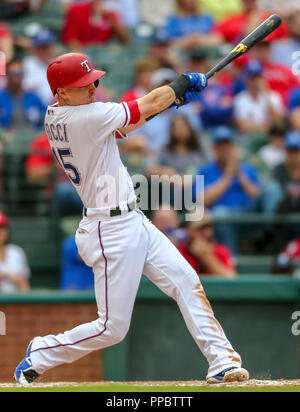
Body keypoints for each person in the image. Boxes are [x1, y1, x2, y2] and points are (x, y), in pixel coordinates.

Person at [14, 52, 249, 385]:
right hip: (108, 229)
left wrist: (169, 100)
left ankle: (222, 361)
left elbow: (130, 122)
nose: (93, 87)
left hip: (131, 219)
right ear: (62, 92)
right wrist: (179, 85)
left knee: (185, 280)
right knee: (112, 329)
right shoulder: (86, 117)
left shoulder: (61, 114)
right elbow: (147, 104)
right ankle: (41, 352)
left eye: (93, 80)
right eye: (83, 85)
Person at [193, 126, 261, 253]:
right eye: (220, 146)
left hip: (248, 215)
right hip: (219, 217)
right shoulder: (205, 170)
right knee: (220, 214)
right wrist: (228, 175)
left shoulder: (246, 169)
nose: (224, 150)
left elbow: (256, 196)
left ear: (233, 147)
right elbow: (201, 199)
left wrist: (239, 172)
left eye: (227, 145)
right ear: (214, 148)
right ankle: (230, 260)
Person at [178, 211, 237, 278]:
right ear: (189, 230)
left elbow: (231, 278)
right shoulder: (179, 252)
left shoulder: (221, 250)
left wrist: (206, 257)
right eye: (201, 228)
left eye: (209, 227)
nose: (207, 233)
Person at [234, 61, 284, 136]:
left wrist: (265, 94)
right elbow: (243, 127)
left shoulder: (273, 96)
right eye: (252, 78)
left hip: (271, 138)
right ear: (247, 79)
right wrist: (267, 128)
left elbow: (278, 123)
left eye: (258, 77)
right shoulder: (240, 99)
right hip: (250, 139)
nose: (255, 82)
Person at [62, 0, 130, 49]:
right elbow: (71, 38)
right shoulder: (76, 10)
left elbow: (125, 40)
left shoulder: (111, 14)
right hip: (82, 53)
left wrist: (110, 18)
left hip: (103, 54)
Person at [0, 59, 46, 130]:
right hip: (8, 138)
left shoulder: (33, 97)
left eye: (18, 74)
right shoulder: (1, 98)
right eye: (12, 74)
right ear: (7, 76)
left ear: (23, 75)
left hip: (33, 136)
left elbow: (47, 116)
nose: (15, 79)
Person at [250, 40, 299, 105]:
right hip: (260, 108)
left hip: (286, 108)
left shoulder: (283, 69)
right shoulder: (251, 71)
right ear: (253, 51)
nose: (263, 52)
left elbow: (297, 87)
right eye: (259, 49)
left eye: (265, 48)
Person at [23, 28, 56, 106]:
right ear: (34, 48)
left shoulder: (60, 65)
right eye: (40, 47)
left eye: (46, 47)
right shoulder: (27, 64)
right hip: (34, 109)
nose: (44, 50)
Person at [0, 211, 30, 293]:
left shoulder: (17, 252)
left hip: (15, 303)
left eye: (2, 228)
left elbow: (25, 285)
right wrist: (6, 275)